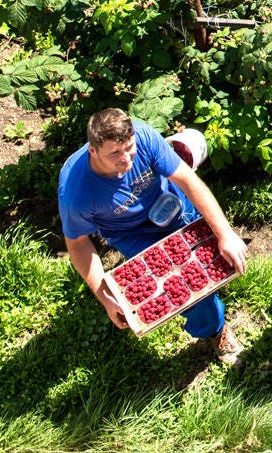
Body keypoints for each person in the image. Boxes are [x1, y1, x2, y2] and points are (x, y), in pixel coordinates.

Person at [58, 108, 248, 364]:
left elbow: (187, 180)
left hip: (169, 202)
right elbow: (78, 243)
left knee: (213, 257)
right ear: (93, 151)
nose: (126, 158)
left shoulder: (144, 136)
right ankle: (215, 330)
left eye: (129, 147)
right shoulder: (76, 193)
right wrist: (104, 296)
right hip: (131, 233)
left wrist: (224, 233)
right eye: (114, 153)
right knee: (189, 291)